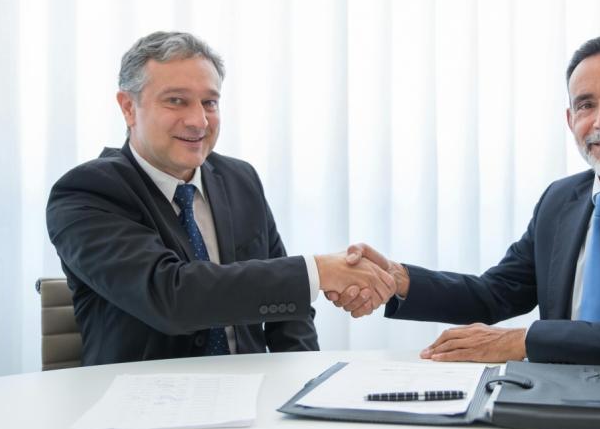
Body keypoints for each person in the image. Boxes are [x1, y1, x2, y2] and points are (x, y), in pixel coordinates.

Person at [335, 36, 600, 374]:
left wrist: (524, 341)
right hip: (567, 389)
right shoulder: (561, 199)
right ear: (570, 120)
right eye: (586, 105)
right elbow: (495, 294)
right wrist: (399, 278)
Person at [46, 31, 394, 366]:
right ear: (128, 107)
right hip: (141, 405)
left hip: (254, 396)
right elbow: (172, 296)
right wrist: (316, 272)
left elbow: (290, 314)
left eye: (209, 102)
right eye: (176, 101)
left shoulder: (240, 179)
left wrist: (303, 383)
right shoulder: (86, 192)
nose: (199, 120)